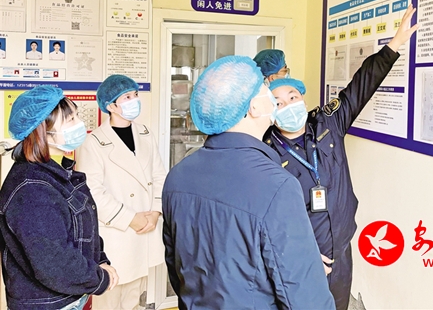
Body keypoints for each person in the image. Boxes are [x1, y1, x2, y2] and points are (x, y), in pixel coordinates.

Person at [264, 4, 418, 310]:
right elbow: (265, 220)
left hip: (341, 251)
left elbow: (361, 86)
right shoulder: (265, 151)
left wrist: (395, 44)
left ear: (303, 98)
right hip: (300, 260)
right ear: (269, 110)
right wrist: (300, 255)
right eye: (279, 103)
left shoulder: (327, 124)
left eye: (293, 97)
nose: (289, 105)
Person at [162, 56, 335, 310]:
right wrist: (305, 267)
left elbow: (177, 267)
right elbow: (306, 300)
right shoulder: (277, 186)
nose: (272, 95)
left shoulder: (177, 176)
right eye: (265, 88)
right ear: (254, 107)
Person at [0, 85, 118, 310]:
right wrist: (99, 278)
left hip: (69, 298)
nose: (79, 125)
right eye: (71, 119)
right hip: (48, 303)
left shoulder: (56, 173)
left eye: (76, 116)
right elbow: (54, 262)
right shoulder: (32, 190)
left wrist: (99, 260)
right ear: (42, 130)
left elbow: (81, 229)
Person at [78, 75, 166, 310]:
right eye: (127, 97)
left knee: (135, 300)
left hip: (146, 230)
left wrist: (156, 212)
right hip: (118, 235)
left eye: (135, 95)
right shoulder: (94, 142)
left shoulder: (145, 133)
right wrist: (130, 218)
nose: (134, 100)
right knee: (110, 301)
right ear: (111, 105)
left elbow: (159, 175)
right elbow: (92, 193)